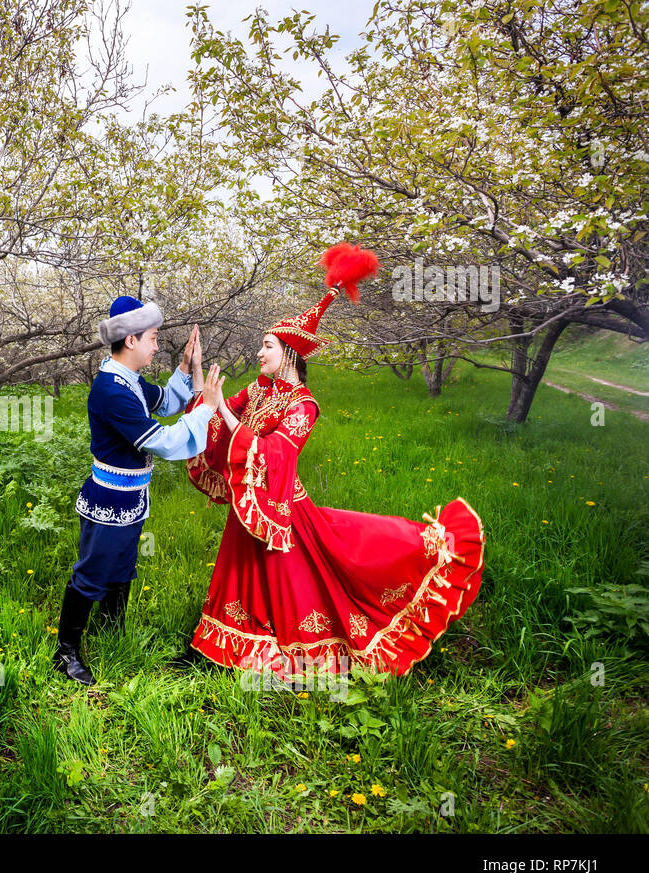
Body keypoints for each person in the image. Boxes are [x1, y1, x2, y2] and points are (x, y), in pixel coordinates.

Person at [183, 243, 485, 680]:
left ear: (288, 352)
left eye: (266, 346)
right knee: (242, 576)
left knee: (305, 580)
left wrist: (225, 411)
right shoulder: (259, 391)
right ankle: (230, 651)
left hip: (282, 508)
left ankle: (301, 650)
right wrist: (195, 371)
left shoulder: (304, 405)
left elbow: (276, 454)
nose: (259, 353)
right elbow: (213, 417)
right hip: (250, 502)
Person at [54, 295, 223, 686]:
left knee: (121, 568)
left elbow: (163, 402)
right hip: (109, 499)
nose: (157, 344)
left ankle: (112, 631)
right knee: (93, 573)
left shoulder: (127, 381)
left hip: (130, 498)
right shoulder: (111, 390)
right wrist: (206, 409)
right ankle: (65, 653)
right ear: (130, 340)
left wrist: (185, 367)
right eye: (153, 337)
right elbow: (161, 440)